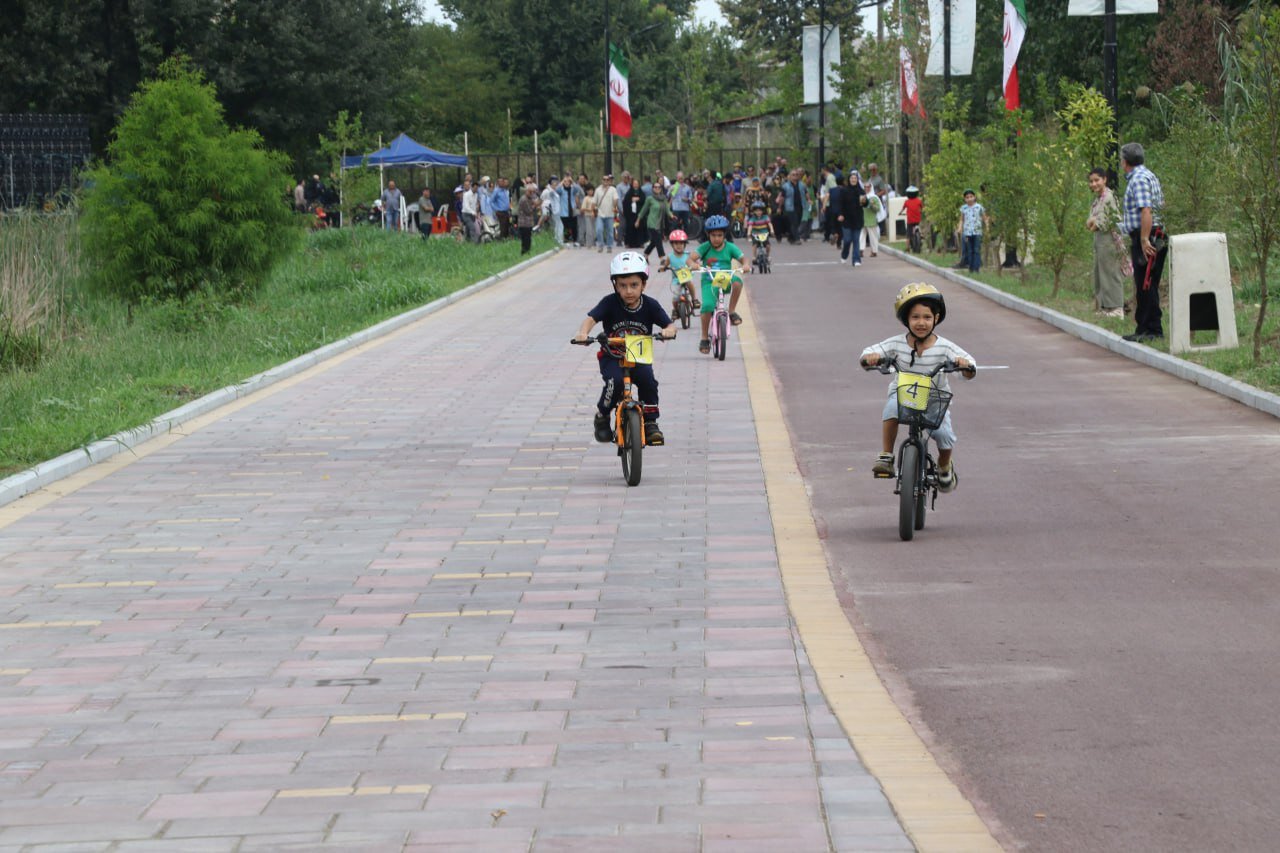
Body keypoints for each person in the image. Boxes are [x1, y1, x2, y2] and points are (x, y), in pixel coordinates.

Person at [860, 283, 977, 492]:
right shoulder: (896, 344)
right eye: (915, 317)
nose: (921, 322)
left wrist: (964, 365)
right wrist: (871, 357)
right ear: (906, 319)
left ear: (936, 319)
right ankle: (886, 456)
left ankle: (944, 467)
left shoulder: (945, 346)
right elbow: (871, 350)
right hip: (903, 395)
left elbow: (969, 365)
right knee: (890, 409)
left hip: (934, 400)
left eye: (927, 317)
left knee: (943, 435)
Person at [573, 251, 677, 447]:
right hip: (612, 355)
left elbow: (669, 325)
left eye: (634, 285)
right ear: (615, 286)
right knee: (615, 382)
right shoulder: (609, 303)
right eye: (623, 286)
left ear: (644, 284)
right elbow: (590, 319)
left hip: (638, 355)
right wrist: (583, 333)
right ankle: (602, 415)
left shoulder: (651, 306)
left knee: (648, 381)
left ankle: (651, 422)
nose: (629, 291)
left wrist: (668, 331)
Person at [1119, 143, 1167, 341]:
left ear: (1125, 161)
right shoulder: (1147, 174)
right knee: (1145, 284)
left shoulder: (1138, 179)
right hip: (1152, 233)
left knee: (1146, 283)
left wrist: (1144, 238)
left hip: (1148, 235)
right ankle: (1144, 328)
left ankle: (1152, 330)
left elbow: (1146, 210)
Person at [689, 214, 747, 355]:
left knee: (738, 281)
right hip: (709, 282)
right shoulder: (705, 247)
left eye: (720, 235)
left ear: (724, 235)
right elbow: (690, 258)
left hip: (724, 279)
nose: (716, 238)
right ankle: (704, 338)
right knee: (708, 306)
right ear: (708, 235)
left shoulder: (730, 247)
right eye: (713, 235)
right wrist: (693, 264)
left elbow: (743, 259)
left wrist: (745, 265)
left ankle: (731, 311)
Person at [1086, 168, 1129, 318]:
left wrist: (1093, 223)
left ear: (1104, 179)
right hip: (1099, 240)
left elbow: (1099, 223)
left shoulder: (1108, 197)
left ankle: (1117, 308)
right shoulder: (1098, 199)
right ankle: (1105, 307)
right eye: (1091, 181)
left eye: (1097, 180)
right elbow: (1089, 222)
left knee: (1111, 273)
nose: (1094, 184)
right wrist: (1093, 222)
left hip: (1109, 239)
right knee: (1100, 273)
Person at [658, 228, 699, 315]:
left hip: (686, 277)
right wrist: (663, 268)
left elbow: (695, 262)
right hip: (676, 280)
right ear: (672, 245)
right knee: (675, 299)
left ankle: (694, 299)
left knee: (689, 283)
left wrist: (697, 266)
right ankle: (675, 310)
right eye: (676, 243)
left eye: (681, 243)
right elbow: (665, 264)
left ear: (685, 244)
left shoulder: (688, 255)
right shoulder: (670, 256)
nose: (679, 245)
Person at [635, 183, 673, 260]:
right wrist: (638, 220)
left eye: (659, 187)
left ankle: (645, 254)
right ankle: (662, 258)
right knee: (658, 240)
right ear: (653, 189)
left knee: (654, 242)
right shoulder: (650, 198)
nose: (657, 189)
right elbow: (643, 210)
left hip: (660, 224)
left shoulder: (664, 198)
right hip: (652, 223)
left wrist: (671, 215)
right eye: (655, 187)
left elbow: (667, 209)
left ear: (661, 189)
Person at [838, 175, 866, 267]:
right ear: (849, 180)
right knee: (847, 240)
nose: (853, 180)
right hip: (846, 219)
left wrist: (866, 202)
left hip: (857, 219)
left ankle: (856, 260)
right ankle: (844, 255)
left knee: (856, 240)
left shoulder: (861, 191)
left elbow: (864, 204)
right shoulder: (844, 191)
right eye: (851, 178)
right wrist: (840, 214)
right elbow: (840, 204)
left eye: (855, 178)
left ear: (857, 180)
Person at [956, 189, 987, 273]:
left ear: (974, 197)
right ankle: (971, 268)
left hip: (977, 232)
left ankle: (976, 268)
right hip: (967, 232)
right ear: (965, 199)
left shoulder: (979, 207)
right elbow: (962, 219)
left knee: (976, 250)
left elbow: (984, 218)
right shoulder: (963, 208)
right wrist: (960, 228)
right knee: (969, 250)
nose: (969, 199)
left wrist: (987, 228)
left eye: (971, 197)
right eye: (967, 197)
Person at [594, 174, 619, 252]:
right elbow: (594, 201)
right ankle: (600, 245)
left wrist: (614, 206)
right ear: (602, 180)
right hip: (600, 214)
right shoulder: (598, 190)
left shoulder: (613, 189)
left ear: (609, 181)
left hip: (610, 214)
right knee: (598, 230)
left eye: (607, 180)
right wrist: (594, 209)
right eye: (604, 180)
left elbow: (616, 199)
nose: (605, 181)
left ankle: (609, 246)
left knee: (610, 232)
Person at [623, 178, 646, 248]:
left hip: (639, 214)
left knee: (640, 228)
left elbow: (644, 200)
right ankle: (629, 243)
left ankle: (641, 242)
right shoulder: (629, 192)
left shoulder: (641, 192)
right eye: (634, 184)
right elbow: (625, 201)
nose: (635, 185)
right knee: (630, 228)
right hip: (631, 214)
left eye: (637, 184)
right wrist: (631, 200)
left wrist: (638, 199)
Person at [517, 183, 539, 254]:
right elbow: (528, 211)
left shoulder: (529, 198)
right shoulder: (524, 200)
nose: (532, 193)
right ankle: (524, 252)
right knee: (525, 239)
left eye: (533, 192)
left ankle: (527, 251)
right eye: (530, 192)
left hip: (528, 223)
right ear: (526, 191)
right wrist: (535, 206)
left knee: (528, 239)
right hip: (524, 223)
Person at [862, 186, 882, 258]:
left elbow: (878, 209)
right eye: (865, 187)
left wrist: (872, 204)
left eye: (868, 187)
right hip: (862, 220)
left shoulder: (874, 197)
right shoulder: (862, 197)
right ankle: (860, 250)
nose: (866, 188)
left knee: (873, 237)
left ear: (871, 188)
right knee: (861, 236)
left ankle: (874, 251)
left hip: (871, 220)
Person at [903, 186, 923, 251]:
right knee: (919, 227)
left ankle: (907, 247)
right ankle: (921, 235)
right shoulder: (919, 201)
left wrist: (899, 213)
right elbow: (922, 207)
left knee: (908, 234)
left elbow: (903, 209)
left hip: (910, 221)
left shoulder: (907, 202)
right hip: (917, 219)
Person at [580, 180, 597, 249]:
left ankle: (593, 243)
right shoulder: (586, 198)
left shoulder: (594, 198)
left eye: (592, 190)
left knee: (594, 230)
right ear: (586, 191)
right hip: (587, 215)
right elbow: (582, 208)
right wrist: (590, 210)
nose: (591, 192)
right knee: (589, 230)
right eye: (589, 190)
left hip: (594, 216)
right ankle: (588, 243)